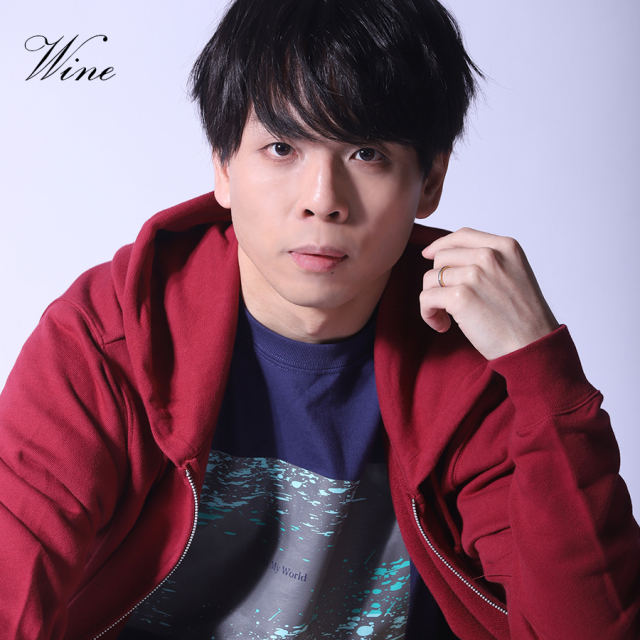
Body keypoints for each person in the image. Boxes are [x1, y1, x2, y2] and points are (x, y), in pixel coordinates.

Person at [1, 0, 638, 638]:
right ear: (223, 167)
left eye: (367, 153)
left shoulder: (477, 358)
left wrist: (544, 376)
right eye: (282, 148)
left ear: (430, 181)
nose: (322, 200)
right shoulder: (111, 335)